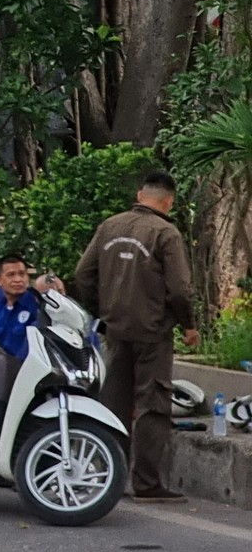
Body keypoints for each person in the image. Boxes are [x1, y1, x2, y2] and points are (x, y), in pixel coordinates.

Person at [72, 169, 196, 502]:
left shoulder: (109, 226)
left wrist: (100, 312)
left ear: (141, 195)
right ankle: (146, 484)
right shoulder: (166, 233)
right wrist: (188, 324)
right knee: (153, 404)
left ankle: (108, 475)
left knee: (114, 402)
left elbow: (83, 274)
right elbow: (181, 290)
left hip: (116, 330)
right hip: (152, 332)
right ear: (168, 201)